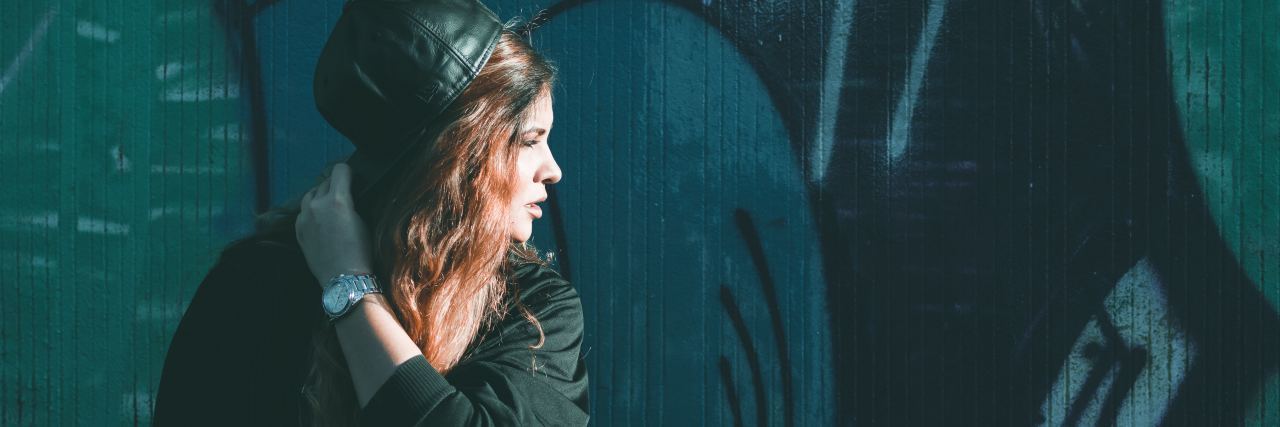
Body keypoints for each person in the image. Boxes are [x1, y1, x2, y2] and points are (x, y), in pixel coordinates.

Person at [151, 0, 588, 425]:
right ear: (456, 158)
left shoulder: (531, 305)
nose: (553, 171)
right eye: (530, 140)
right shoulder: (257, 282)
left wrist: (349, 286)